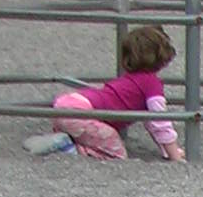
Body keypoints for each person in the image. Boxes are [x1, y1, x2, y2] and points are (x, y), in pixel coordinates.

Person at [27, 24, 186, 162]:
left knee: (93, 134)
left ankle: (65, 138)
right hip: (79, 113)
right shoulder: (151, 84)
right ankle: (68, 147)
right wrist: (174, 156)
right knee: (116, 151)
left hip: (69, 104)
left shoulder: (130, 80)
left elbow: (152, 121)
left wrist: (168, 150)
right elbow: (159, 120)